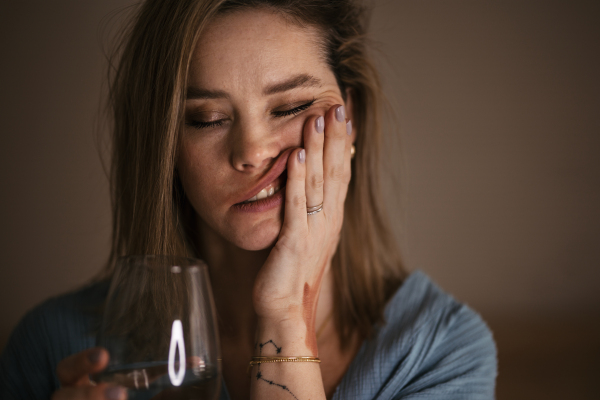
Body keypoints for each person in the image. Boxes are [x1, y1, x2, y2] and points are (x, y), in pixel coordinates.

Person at [0, 0, 497, 399]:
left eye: (292, 107)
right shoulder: (52, 345)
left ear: (352, 119)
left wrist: (286, 311)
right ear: (164, 146)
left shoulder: (443, 350)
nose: (252, 151)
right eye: (207, 119)